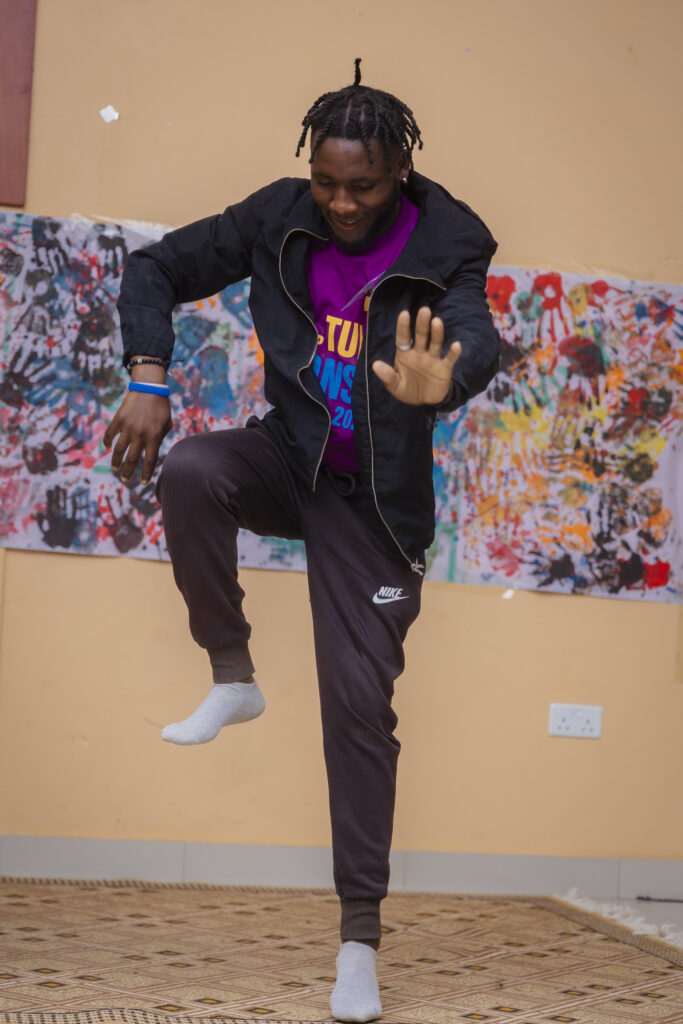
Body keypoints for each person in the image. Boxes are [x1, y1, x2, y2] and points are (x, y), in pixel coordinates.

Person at [104, 60, 500, 1024]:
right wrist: (148, 377)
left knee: (358, 710)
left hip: (376, 505)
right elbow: (156, 267)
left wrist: (443, 381)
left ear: (399, 171)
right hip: (293, 456)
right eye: (326, 182)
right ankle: (232, 676)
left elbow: (473, 333)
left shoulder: (449, 239)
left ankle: (358, 944)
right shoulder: (279, 216)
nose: (341, 203)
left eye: (362, 185)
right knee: (194, 471)